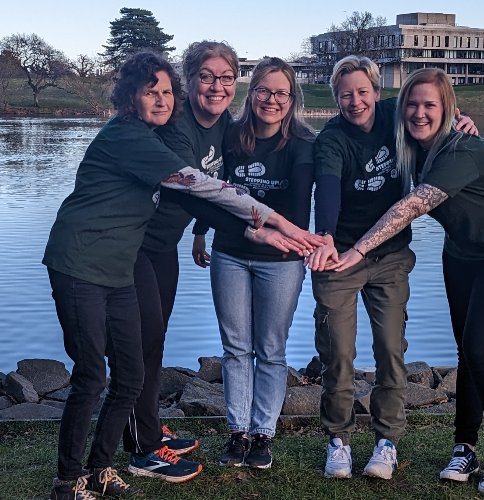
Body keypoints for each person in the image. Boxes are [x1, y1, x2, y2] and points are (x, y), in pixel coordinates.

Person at [42, 50, 319, 500]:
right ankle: (72, 479)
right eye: (151, 91)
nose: (161, 100)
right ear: (129, 96)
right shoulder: (135, 136)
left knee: (132, 370)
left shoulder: (191, 129)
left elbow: (206, 190)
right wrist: (271, 224)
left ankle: (104, 467)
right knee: (95, 374)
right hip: (84, 262)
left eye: (166, 91)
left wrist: (228, 232)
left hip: (122, 261)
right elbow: (198, 187)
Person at [325, 68, 484, 494]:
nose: (419, 113)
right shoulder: (411, 142)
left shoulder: (464, 151)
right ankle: (465, 446)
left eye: (430, 106)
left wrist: (357, 249)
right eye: (412, 104)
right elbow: (371, 107)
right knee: (467, 354)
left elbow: (410, 207)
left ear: (447, 109)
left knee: (482, 351)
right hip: (462, 256)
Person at [306, 55, 478, 481]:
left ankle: (387, 442)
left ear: (377, 91)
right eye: (345, 94)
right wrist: (325, 235)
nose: (355, 101)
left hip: (390, 257)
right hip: (339, 256)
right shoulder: (331, 139)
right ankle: (339, 441)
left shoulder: (394, 113)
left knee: (389, 349)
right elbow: (326, 190)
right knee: (338, 353)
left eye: (362, 91)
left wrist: (461, 124)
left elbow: (431, 115)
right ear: (336, 98)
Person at [119, 40, 257, 484]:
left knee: (155, 341)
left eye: (226, 78)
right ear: (190, 81)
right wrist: (262, 225)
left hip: (163, 245)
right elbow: (196, 188)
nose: (217, 87)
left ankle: (150, 428)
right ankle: (141, 450)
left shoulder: (226, 126)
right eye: (206, 77)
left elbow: (219, 182)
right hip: (132, 245)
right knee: (139, 346)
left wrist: (199, 232)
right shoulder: (177, 127)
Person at [189, 57, 314, 471]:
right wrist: (200, 231)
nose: (271, 100)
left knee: (271, 349)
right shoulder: (231, 136)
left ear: (292, 99)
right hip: (230, 254)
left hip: (281, 260)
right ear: (251, 91)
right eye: (263, 89)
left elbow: (296, 210)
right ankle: (238, 432)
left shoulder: (302, 145)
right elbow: (213, 189)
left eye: (281, 92)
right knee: (236, 347)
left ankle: (264, 434)